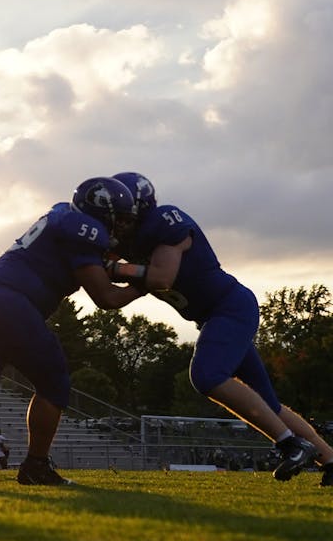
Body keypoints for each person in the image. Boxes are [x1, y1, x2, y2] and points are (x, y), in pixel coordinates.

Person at [0, 177, 146, 486]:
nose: (123, 227)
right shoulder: (85, 229)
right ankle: (36, 464)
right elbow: (106, 297)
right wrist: (144, 286)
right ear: (104, 213)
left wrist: (126, 267)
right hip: (12, 303)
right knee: (54, 383)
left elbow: (98, 263)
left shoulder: (62, 214)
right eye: (121, 219)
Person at [109, 171, 333, 485]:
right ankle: (331, 460)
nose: (115, 225)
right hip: (215, 316)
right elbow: (121, 284)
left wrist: (114, 268)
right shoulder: (132, 241)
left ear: (140, 209)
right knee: (268, 405)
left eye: (120, 217)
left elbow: (159, 278)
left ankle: (291, 445)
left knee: (207, 375)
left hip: (229, 307)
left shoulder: (164, 222)